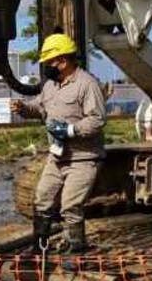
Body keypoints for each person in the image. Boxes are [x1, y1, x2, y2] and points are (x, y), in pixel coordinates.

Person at [9, 34, 107, 254]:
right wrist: (24, 108)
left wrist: (70, 130)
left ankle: (76, 252)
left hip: (83, 158)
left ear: (63, 61)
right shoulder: (51, 86)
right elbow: (40, 107)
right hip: (57, 157)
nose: (46, 67)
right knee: (41, 200)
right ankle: (39, 249)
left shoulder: (87, 84)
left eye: (49, 62)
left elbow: (97, 119)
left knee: (70, 206)